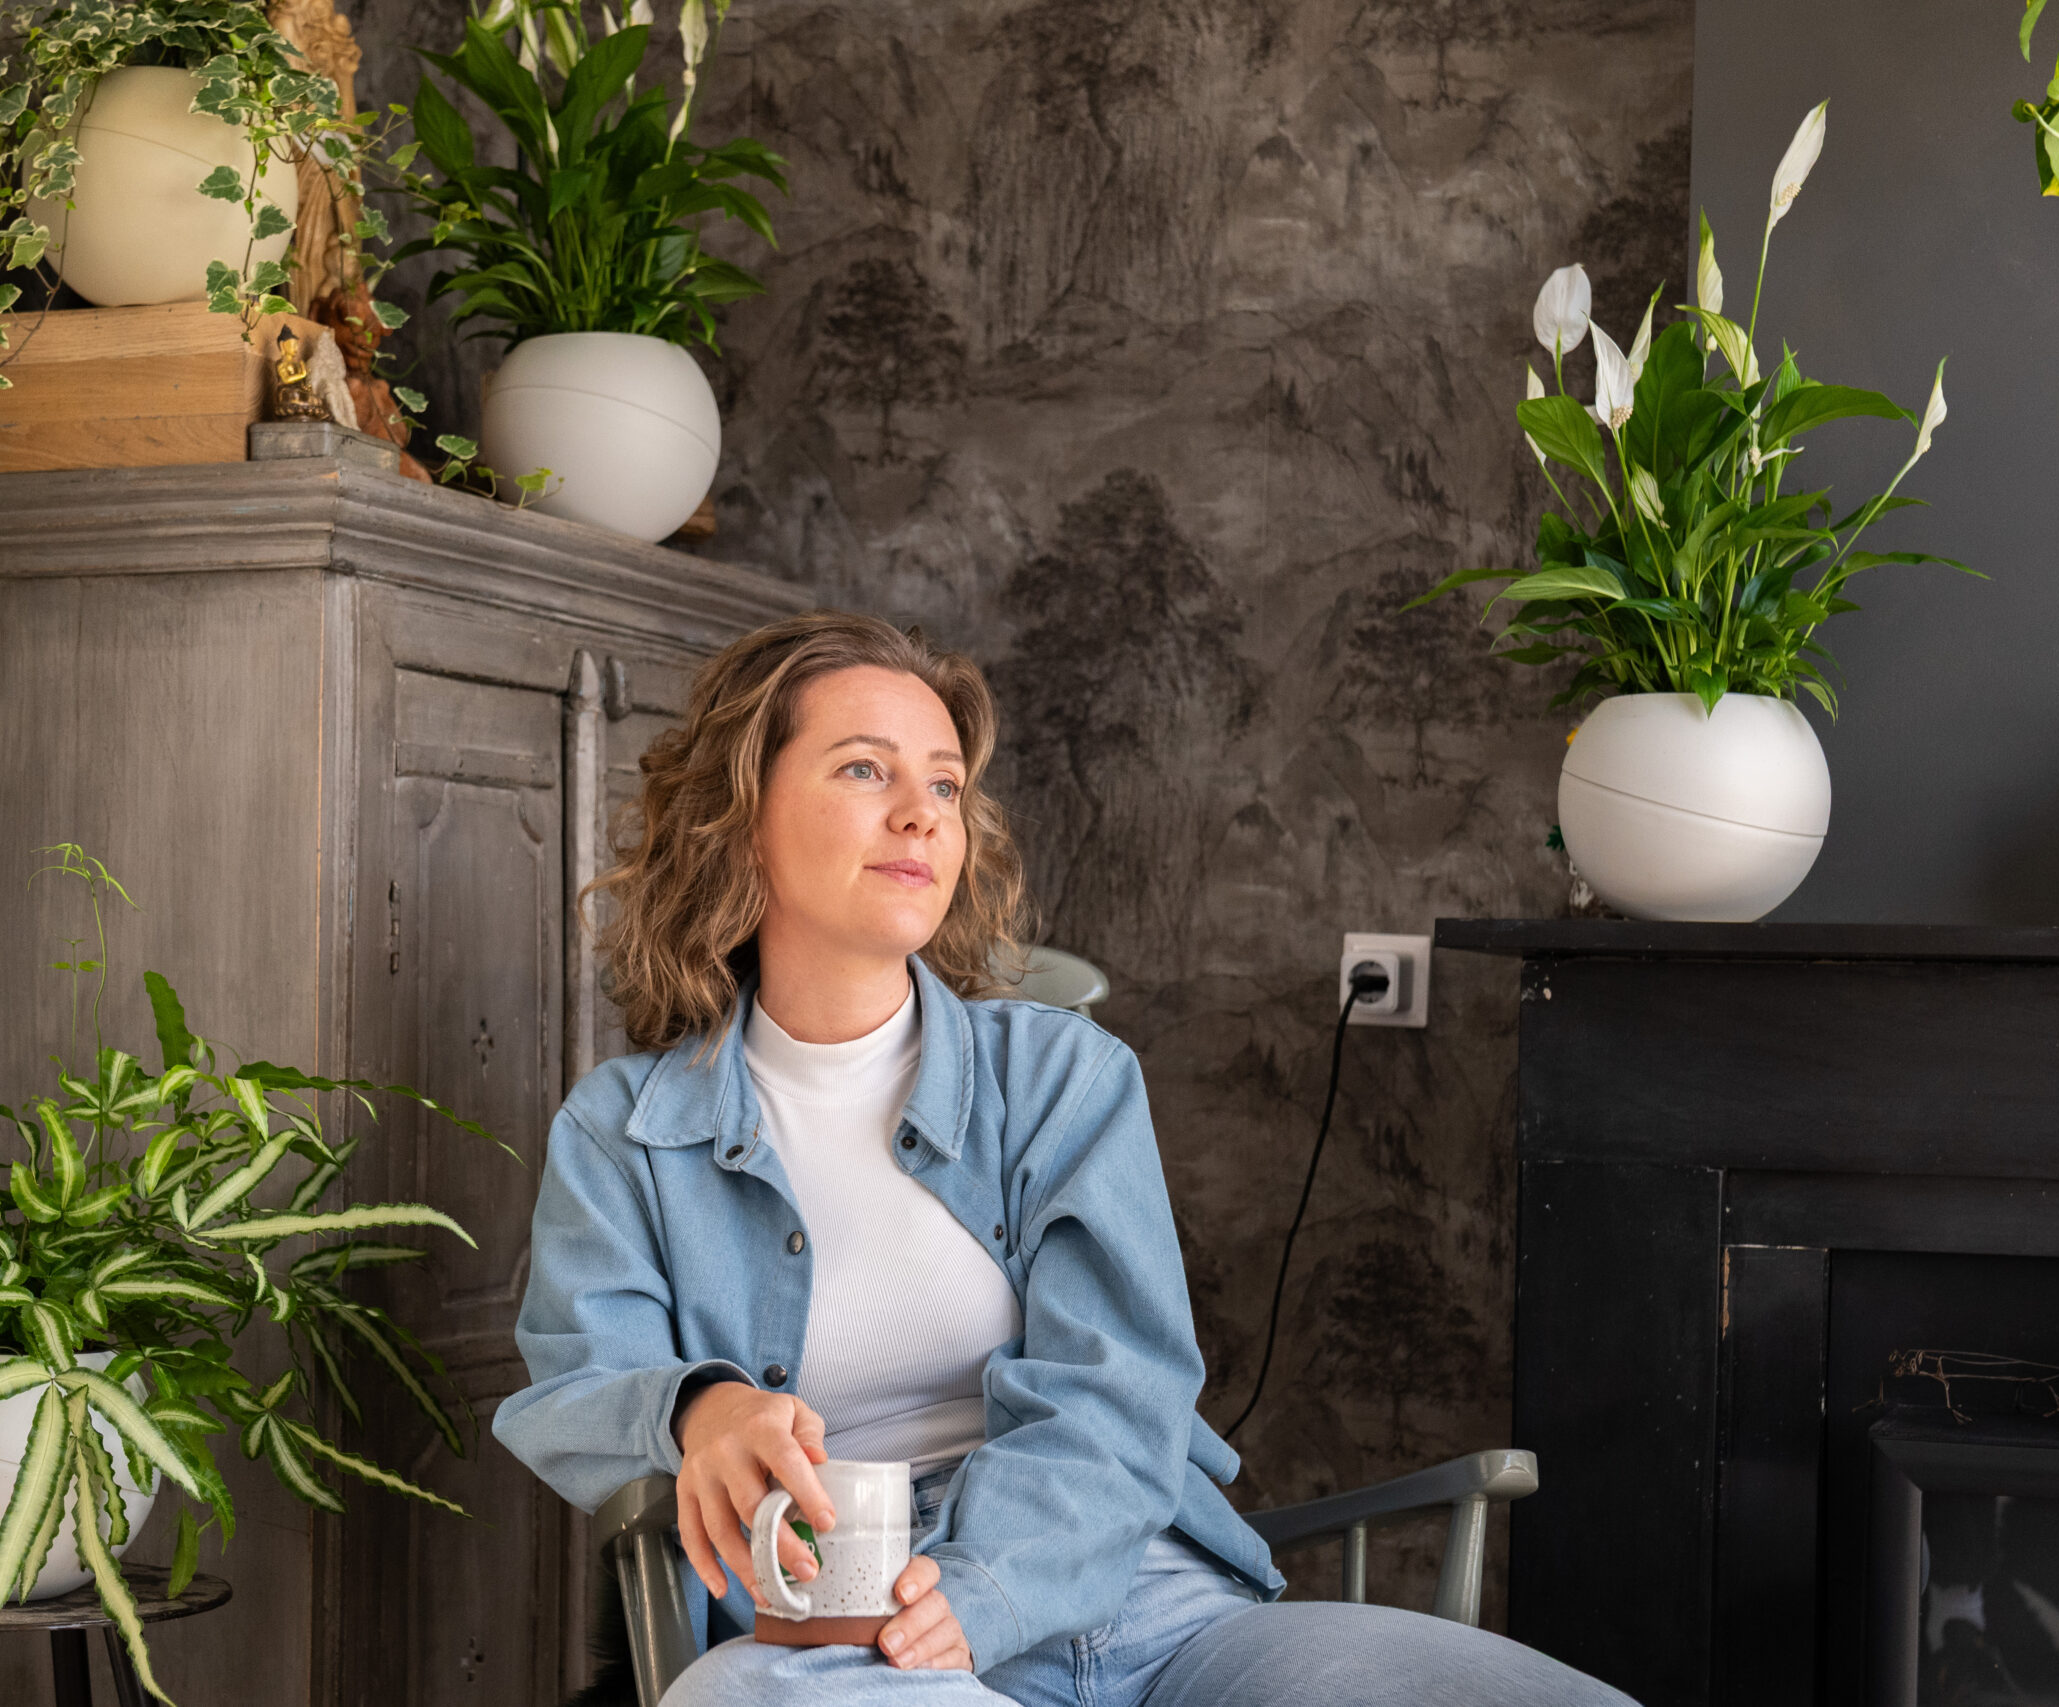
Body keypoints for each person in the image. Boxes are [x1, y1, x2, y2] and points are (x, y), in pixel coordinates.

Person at [492, 611, 1634, 1706]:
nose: (922, 815)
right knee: (734, 1696)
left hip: (1149, 1605)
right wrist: (699, 1409)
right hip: (850, 1650)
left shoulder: (1062, 1078)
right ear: (740, 817)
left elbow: (1120, 1389)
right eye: (864, 770)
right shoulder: (626, 1131)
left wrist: (989, 1585)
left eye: (945, 784)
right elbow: (575, 1382)